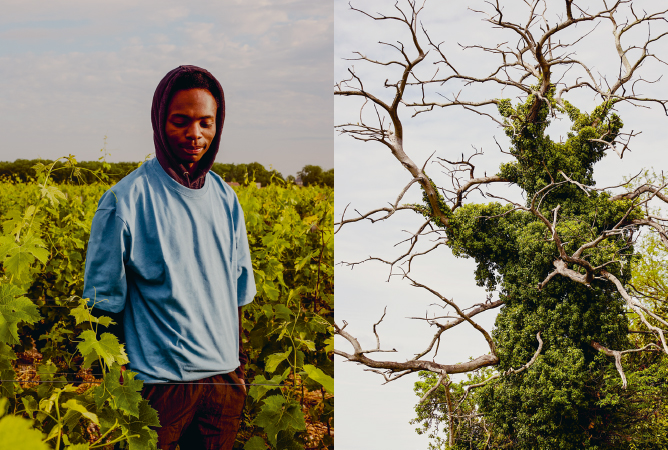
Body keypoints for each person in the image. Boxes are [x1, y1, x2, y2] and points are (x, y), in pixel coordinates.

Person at [83, 65, 256, 450]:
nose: (195, 135)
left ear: (218, 125)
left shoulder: (226, 198)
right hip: (158, 387)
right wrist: (118, 377)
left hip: (223, 386)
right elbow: (101, 304)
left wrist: (238, 369)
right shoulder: (125, 200)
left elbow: (238, 291)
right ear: (160, 122)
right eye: (181, 121)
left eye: (206, 123)